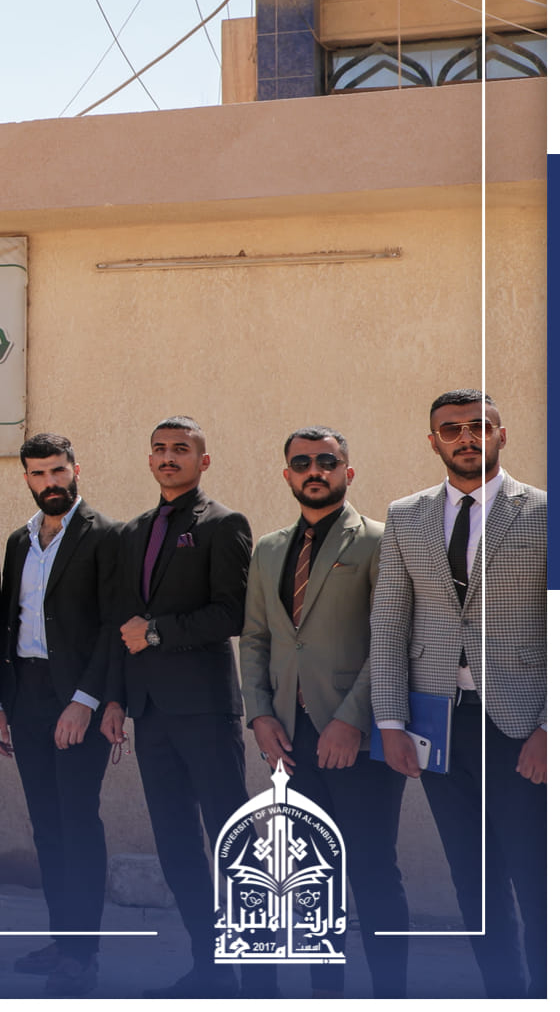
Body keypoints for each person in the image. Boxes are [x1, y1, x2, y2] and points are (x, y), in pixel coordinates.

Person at [370, 390, 546, 998]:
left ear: (501, 433)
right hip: (439, 723)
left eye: (479, 426)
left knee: (537, 875)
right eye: (452, 429)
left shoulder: (542, 512)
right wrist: (391, 722)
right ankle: (505, 995)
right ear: (433, 441)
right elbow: (389, 622)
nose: (466, 437)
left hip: (522, 724)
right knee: (474, 880)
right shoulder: (405, 515)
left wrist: (550, 728)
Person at [238, 425, 408, 997]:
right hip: (290, 737)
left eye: (327, 462)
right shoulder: (268, 549)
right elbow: (256, 639)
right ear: (287, 474)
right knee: (311, 878)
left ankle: (390, 997)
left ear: (347, 472)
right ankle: (325, 997)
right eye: (302, 462)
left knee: (373, 869)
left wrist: (350, 719)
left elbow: (391, 640)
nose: (315, 470)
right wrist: (260, 715)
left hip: (358, 736)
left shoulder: (380, 541)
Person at [101, 416, 256, 997]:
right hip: (150, 712)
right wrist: (115, 699)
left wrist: (158, 632)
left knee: (232, 840)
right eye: (160, 449)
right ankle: (209, 969)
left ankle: (255, 975)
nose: (169, 457)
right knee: (176, 844)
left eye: (181, 449)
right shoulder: (133, 531)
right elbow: (121, 623)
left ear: (203, 460)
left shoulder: (223, 524)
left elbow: (231, 613)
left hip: (205, 709)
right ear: (149, 460)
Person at [0, 433, 119, 996]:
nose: (50, 482)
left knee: (77, 822)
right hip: (26, 695)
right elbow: (7, 622)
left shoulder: (106, 536)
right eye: (38, 474)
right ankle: (62, 941)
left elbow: (113, 627)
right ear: (27, 479)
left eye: (58, 471)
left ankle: (83, 955)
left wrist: (85, 702)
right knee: (46, 824)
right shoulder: (20, 541)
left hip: (77, 699)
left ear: (75, 469)